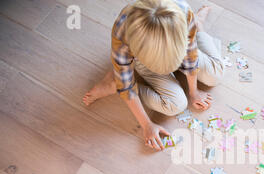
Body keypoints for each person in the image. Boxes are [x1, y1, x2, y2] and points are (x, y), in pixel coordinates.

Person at [82, 0, 224, 150]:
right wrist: (147, 124)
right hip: (140, 59)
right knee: (176, 105)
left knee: (215, 76)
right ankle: (115, 83)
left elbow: (191, 57)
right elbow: (128, 89)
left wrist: (193, 92)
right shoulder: (122, 34)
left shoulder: (182, 13)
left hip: (182, 43)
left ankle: (198, 23)